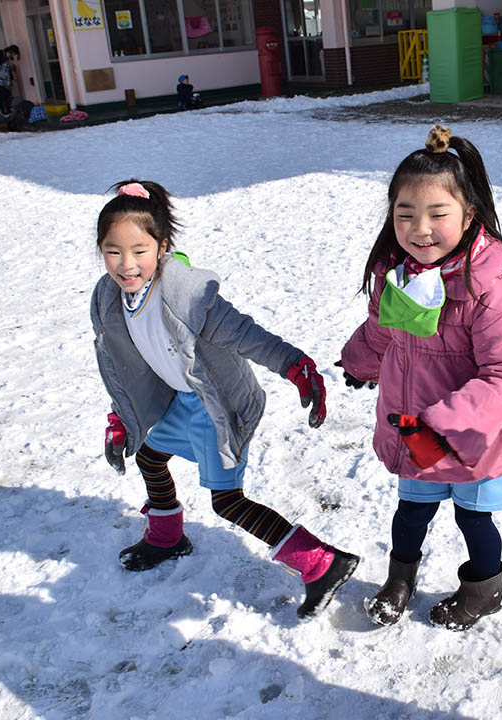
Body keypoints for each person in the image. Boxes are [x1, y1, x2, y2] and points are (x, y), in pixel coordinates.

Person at [90, 179, 359, 619]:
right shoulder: (109, 300)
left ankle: (322, 564)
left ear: (161, 247)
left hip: (217, 406)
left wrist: (295, 366)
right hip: (181, 400)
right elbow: (123, 368)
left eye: (139, 250)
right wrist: (122, 417)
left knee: (227, 500)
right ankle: (166, 537)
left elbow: (244, 334)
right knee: (151, 458)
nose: (126, 264)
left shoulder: (186, 297)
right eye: (113, 251)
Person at [340, 125, 502, 631]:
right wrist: (359, 362)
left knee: (473, 519)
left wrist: (444, 424)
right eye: (405, 214)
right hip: (412, 428)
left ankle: (483, 589)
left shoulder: (488, 289)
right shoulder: (398, 278)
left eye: (437, 214)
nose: (419, 228)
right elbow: (383, 330)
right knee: (410, 512)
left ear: (468, 216)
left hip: (472, 439)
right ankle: (400, 579)